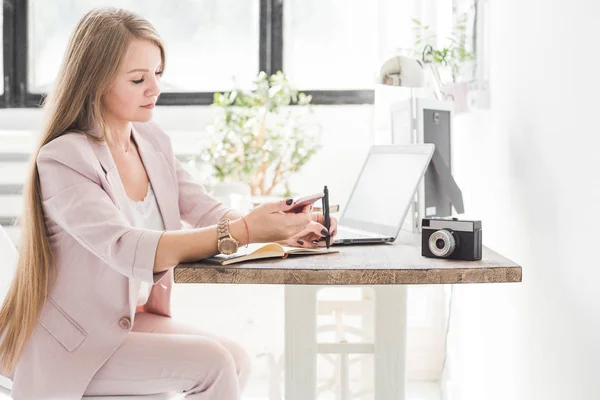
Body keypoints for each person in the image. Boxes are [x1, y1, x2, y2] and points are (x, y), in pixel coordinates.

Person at [0, 7, 337, 399]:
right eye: (138, 79)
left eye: (157, 74)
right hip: (70, 343)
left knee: (237, 358)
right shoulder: (64, 159)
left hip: (124, 322)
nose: (155, 89)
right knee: (214, 363)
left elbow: (207, 210)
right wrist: (246, 230)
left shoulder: (151, 141)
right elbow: (127, 248)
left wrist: (286, 229)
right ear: (95, 82)